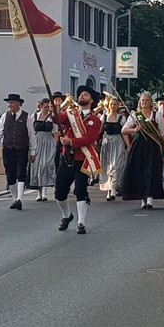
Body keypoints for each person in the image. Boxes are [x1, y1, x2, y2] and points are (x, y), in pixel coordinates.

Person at [53, 86, 103, 234]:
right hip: (67, 157)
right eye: (80, 94)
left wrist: (71, 142)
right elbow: (57, 119)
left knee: (80, 189)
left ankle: (81, 222)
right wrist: (54, 109)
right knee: (60, 191)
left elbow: (89, 139)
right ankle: (66, 215)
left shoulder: (95, 120)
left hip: (83, 158)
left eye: (85, 94)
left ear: (91, 100)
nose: (82, 96)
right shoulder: (71, 115)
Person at [121, 93, 164, 209]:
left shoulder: (156, 115)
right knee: (140, 171)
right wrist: (135, 129)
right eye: (142, 100)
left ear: (150, 103)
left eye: (147, 100)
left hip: (153, 147)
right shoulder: (135, 116)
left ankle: (150, 198)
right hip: (139, 147)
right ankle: (142, 199)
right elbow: (124, 130)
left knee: (152, 171)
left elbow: (163, 133)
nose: (144, 102)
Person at [0, 93, 37, 210]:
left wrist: (33, 151)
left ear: (18, 104)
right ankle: (15, 198)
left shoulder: (27, 117)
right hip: (8, 149)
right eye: (9, 103)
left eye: (12, 102)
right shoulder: (5, 116)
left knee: (21, 173)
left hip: (22, 149)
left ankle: (20, 199)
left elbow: (31, 135)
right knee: (10, 174)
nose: (9, 105)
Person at [99, 96, 130, 201]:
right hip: (106, 142)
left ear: (118, 106)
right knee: (107, 166)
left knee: (116, 165)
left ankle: (113, 189)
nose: (113, 106)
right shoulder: (103, 117)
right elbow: (99, 131)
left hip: (118, 142)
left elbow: (124, 133)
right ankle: (109, 190)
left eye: (115, 104)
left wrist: (128, 145)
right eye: (111, 104)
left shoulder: (122, 118)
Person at [29, 98, 58, 202]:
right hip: (37, 142)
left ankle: (45, 192)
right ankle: (39, 193)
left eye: (48, 107)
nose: (47, 109)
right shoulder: (34, 116)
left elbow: (56, 131)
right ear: (40, 106)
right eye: (45, 107)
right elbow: (30, 131)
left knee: (46, 165)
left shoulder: (52, 117)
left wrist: (54, 145)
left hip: (48, 142)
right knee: (37, 166)